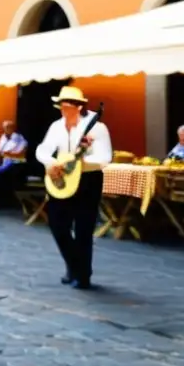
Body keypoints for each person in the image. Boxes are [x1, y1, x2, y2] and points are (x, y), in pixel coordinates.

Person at [35, 86, 112, 289]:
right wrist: (51, 163)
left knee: (84, 229)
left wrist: (78, 162)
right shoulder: (56, 126)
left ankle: (83, 275)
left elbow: (105, 157)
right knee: (57, 225)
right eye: (61, 105)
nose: (63, 109)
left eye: (67, 105)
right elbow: (42, 149)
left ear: (79, 107)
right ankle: (73, 264)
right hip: (62, 178)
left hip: (88, 181)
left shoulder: (97, 128)